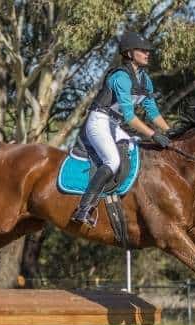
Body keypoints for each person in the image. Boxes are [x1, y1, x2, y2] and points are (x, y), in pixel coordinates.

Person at [71, 31, 172, 226]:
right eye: (142, 50)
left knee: (134, 150)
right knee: (113, 160)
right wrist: (153, 134)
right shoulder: (120, 77)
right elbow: (130, 117)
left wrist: (170, 132)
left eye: (147, 50)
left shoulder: (145, 80)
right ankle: (83, 209)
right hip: (99, 120)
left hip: (113, 124)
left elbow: (153, 113)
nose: (147, 53)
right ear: (128, 53)